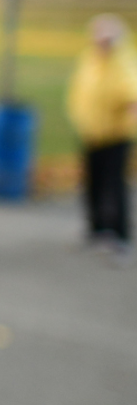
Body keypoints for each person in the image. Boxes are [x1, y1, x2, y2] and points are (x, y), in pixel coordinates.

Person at [66, 14, 137, 259]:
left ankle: (119, 234)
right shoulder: (89, 60)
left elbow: (131, 91)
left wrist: (131, 109)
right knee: (92, 184)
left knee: (115, 185)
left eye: (107, 40)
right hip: (91, 133)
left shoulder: (123, 63)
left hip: (115, 135)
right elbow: (80, 90)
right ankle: (96, 228)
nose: (102, 44)